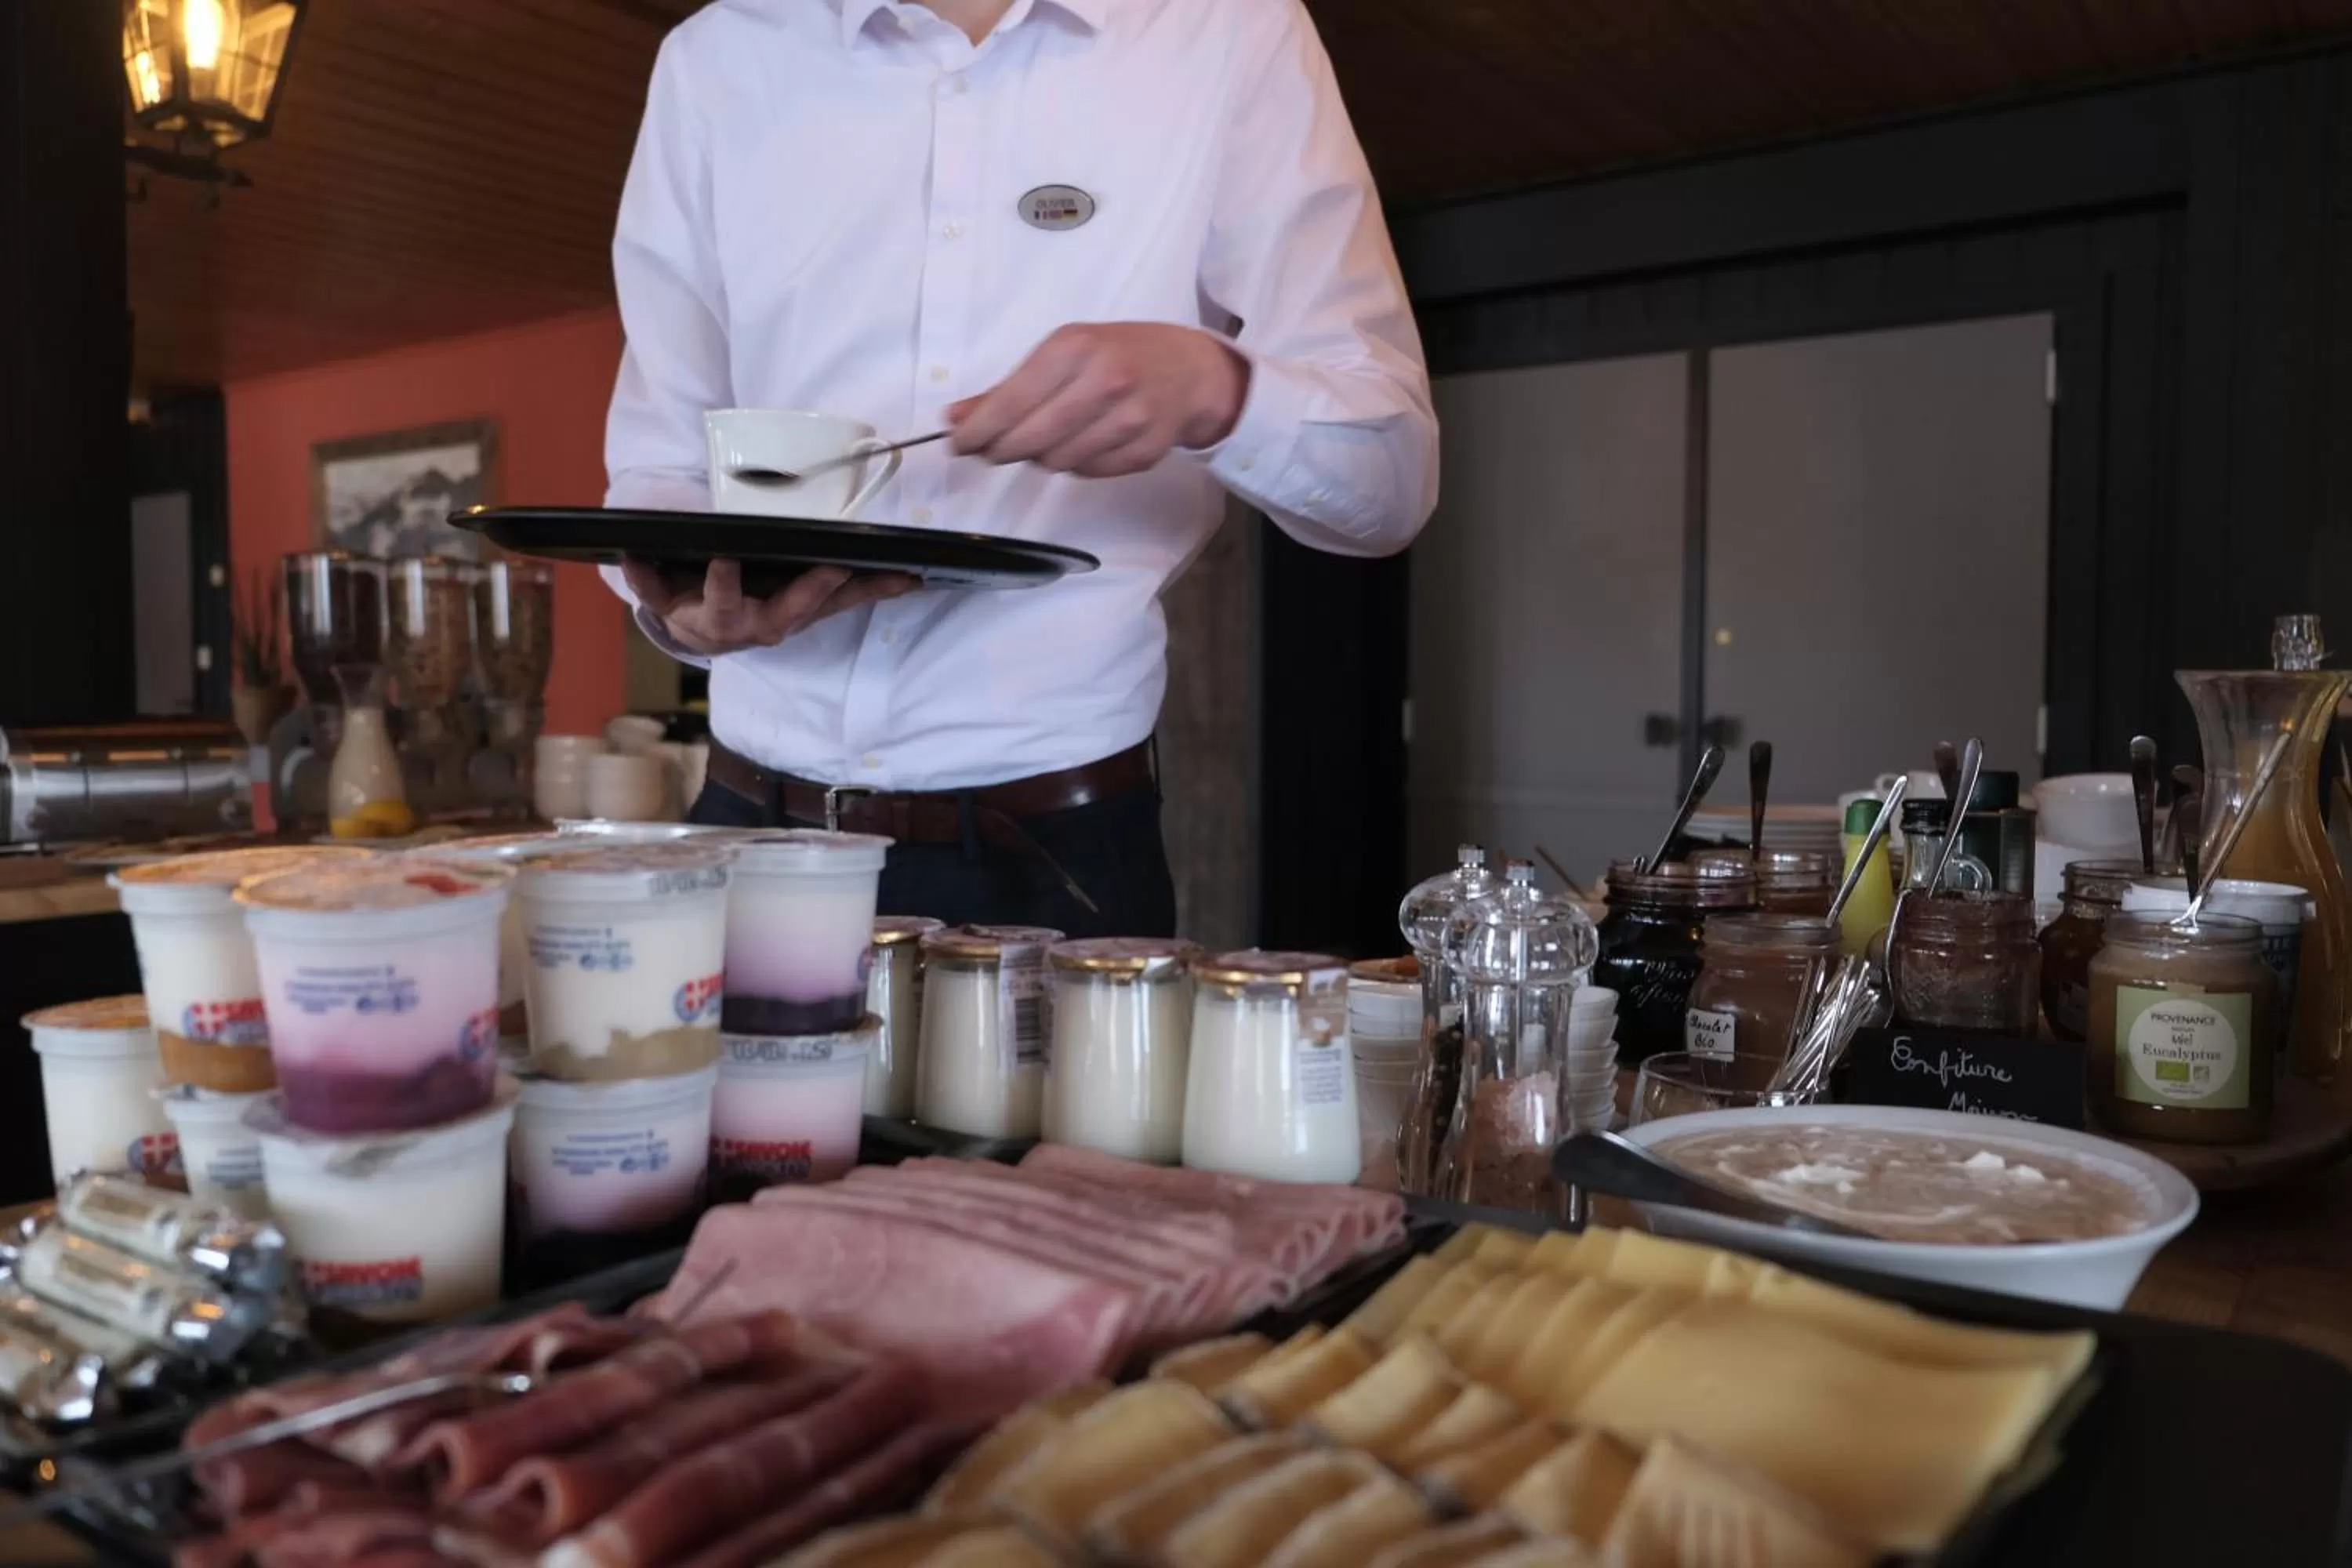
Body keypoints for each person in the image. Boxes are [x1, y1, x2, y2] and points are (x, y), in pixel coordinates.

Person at [602, 0, 1439, 936]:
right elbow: (659, 460)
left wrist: (1218, 389)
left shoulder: (1231, 29)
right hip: (740, 834)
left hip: (1053, 857)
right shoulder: (716, 57)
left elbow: (1392, 485)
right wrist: (683, 596)